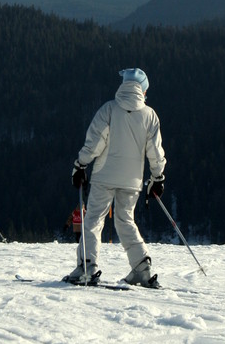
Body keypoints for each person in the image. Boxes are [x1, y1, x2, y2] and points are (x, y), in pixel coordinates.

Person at [65, 68, 166, 287]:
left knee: (93, 219)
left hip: (104, 176)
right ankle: (141, 266)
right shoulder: (150, 115)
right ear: (142, 90)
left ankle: (87, 265)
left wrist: (81, 164)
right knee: (125, 220)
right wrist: (157, 177)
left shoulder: (109, 110)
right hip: (132, 181)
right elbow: (155, 151)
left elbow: (94, 142)